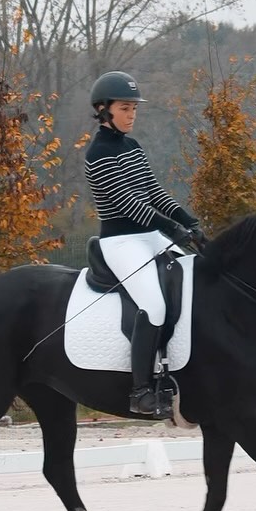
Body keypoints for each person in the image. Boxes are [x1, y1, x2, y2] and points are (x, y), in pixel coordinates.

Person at [84, 70, 206, 418]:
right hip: (122, 241)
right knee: (153, 305)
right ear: (104, 110)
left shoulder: (132, 147)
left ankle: (181, 371)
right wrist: (172, 229)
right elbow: (128, 203)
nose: (131, 115)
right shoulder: (98, 152)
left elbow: (153, 193)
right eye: (125, 108)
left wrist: (189, 222)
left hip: (151, 235)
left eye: (134, 109)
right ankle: (140, 391)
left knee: (193, 287)